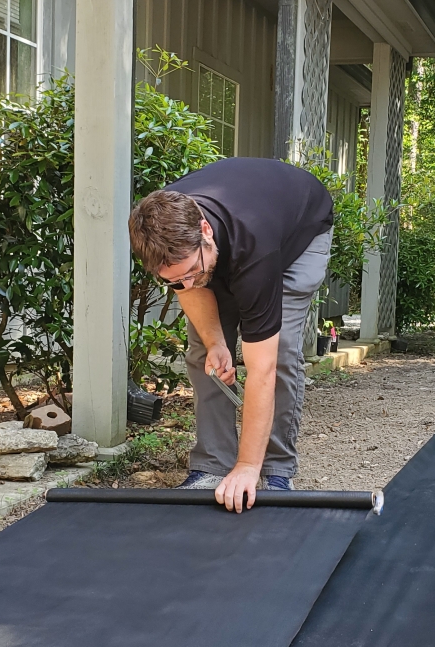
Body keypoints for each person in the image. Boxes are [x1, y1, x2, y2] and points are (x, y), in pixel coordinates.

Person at [129, 157, 333, 512]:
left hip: (298, 233)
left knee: (280, 352)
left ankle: (275, 469)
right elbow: (189, 282)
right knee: (202, 353)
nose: (186, 285)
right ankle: (212, 465)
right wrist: (215, 343)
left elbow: (262, 370)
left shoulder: (254, 248)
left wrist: (247, 466)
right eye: (174, 280)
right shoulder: (159, 232)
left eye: (191, 272)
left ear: (205, 231)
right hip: (231, 237)